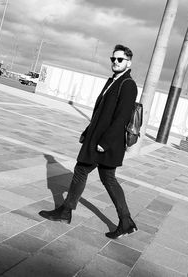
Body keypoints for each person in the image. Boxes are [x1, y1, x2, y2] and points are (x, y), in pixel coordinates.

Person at [39, 44, 138, 239]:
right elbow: (100, 113)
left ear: (129, 62)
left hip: (105, 142)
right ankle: (125, 222)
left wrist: (105, 142)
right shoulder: (113, 81)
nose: (115, 62)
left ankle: (66, 211)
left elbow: (122, 117)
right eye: (113, 59)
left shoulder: (128, 84)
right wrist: (87, 132)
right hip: (98, 138)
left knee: (81, 170)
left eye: (120, 60)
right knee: (107, 179)